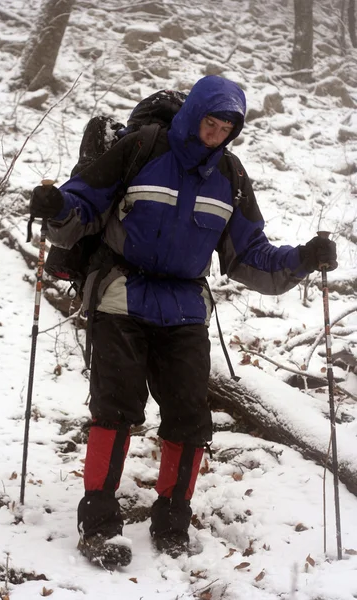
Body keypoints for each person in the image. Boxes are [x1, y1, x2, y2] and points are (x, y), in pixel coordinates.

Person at [29, 75, 337, 566]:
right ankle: (99, 525)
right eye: (209, 123)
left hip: (186, 310)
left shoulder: (231, 178)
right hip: (120, 298)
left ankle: (172, 521)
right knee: (115, 410)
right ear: (194, 115)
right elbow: (84, 205)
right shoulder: (141, 150)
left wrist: (302, 258)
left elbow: (248, 255)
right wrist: (56, 207)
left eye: (225, 128)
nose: (214, 133)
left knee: (191, 419)